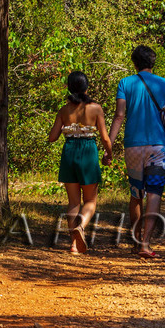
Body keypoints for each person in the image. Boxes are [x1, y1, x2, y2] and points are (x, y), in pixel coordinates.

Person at [107, 45, 165, 259]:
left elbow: (119, 116)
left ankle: (135, 242)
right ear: (153, 63)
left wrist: (108, 147)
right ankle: (145, 244)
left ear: (134, 63)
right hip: (158, 146)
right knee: (154, 193)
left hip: (133, 146)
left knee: (136, 194)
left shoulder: (125, 83)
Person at [47, 70, 112, 254]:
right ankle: (81, 225)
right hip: (88, 152)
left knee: (73, 202)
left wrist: (64, 126)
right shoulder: (96, 108)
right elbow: (105, 138)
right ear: (87, 87)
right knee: (90, 200)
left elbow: (52, 138)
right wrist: (109, 154)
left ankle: (74, 245)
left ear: (68, 87)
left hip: (69, 152)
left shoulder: (64, 110)